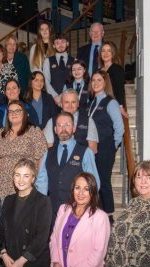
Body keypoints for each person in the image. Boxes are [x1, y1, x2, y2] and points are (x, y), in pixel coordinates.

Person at [36, 112, 100, 215]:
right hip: (52, 211)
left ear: (74, 128)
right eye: (59, 125)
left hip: (78, 211)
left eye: (67, 125)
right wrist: (39, 206)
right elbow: (41, 182)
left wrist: (85, 207)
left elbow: (94, 183)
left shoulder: (86, 152)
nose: (63, 128)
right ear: (55, 130)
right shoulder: (48, 153)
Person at [88, 70, 124, 220]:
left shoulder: (111, 102)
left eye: (99, 80)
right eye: (93, 80)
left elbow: (119, 128)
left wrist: (112, 146)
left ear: (105, 83)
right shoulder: (91, 103)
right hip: (93, 147)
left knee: (104, 181)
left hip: (106, 147)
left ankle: (109, 216)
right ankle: (98, 212)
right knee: (95, 180)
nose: (95, 83)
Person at [0, 100, 47, 200]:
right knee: (6, 212)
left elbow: (41, 157)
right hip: (5, 182)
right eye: (11, 111)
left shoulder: (33, 130)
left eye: (17, 111)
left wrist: (35, 177)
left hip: (24, 181)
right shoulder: (2, 133)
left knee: (23, 212)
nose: (14, 114)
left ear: (24, 113)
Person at [99, 41, 128, 119]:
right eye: (103, 50)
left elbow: (120, 89)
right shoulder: (98, 71)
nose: (105, 53)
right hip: (99, 105)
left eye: (109, 51)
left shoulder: (118, 69)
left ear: (113, 53)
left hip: (112, 105)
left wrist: (121, 106)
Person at [43, 33, 74, 106]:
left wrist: (64, 95)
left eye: (63, 42)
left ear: (67, 43)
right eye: (57, 43)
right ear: (53, 45)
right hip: (52, 100)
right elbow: (46, 81)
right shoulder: (47, 61)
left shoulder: (75, 61)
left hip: (69, 100)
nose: (60, 45)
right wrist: (55, 96)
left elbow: (74, 81)